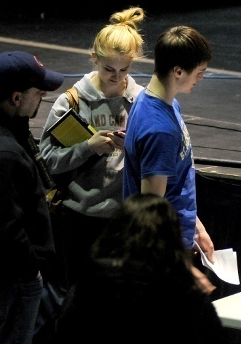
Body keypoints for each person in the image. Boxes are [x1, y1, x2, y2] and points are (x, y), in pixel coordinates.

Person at [38, 7, 146, 288]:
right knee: (79, 304)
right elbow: (47, 160)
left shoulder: (142, 102)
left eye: (125, 69)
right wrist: (88, 146)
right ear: (94, 58)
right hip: (79, 219)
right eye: (109, 69)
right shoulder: (71, 101)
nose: (117, 76)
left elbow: (158, 159)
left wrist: (132, 147)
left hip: (123, 221)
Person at [55, 193, 229, 344]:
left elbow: (65, 330)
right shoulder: (187, 294)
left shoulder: (90, 285)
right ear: (172, 236)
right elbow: (215, 337)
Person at [123, 26, 216, 291]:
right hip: (162, 261)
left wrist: (196, 227)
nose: (200, 79)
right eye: (199, 72)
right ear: (178, 71)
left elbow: (179, 177)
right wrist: (180, 268)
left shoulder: (161, 102)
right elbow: (150, 213)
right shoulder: (160, 129)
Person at [0, 50, 64, 344]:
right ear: (16, 98)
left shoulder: (14, 134)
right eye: (38, 93)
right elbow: (7, 226)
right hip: (16, 279)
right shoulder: (6, 154)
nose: (42, 99)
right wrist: (32, 272)